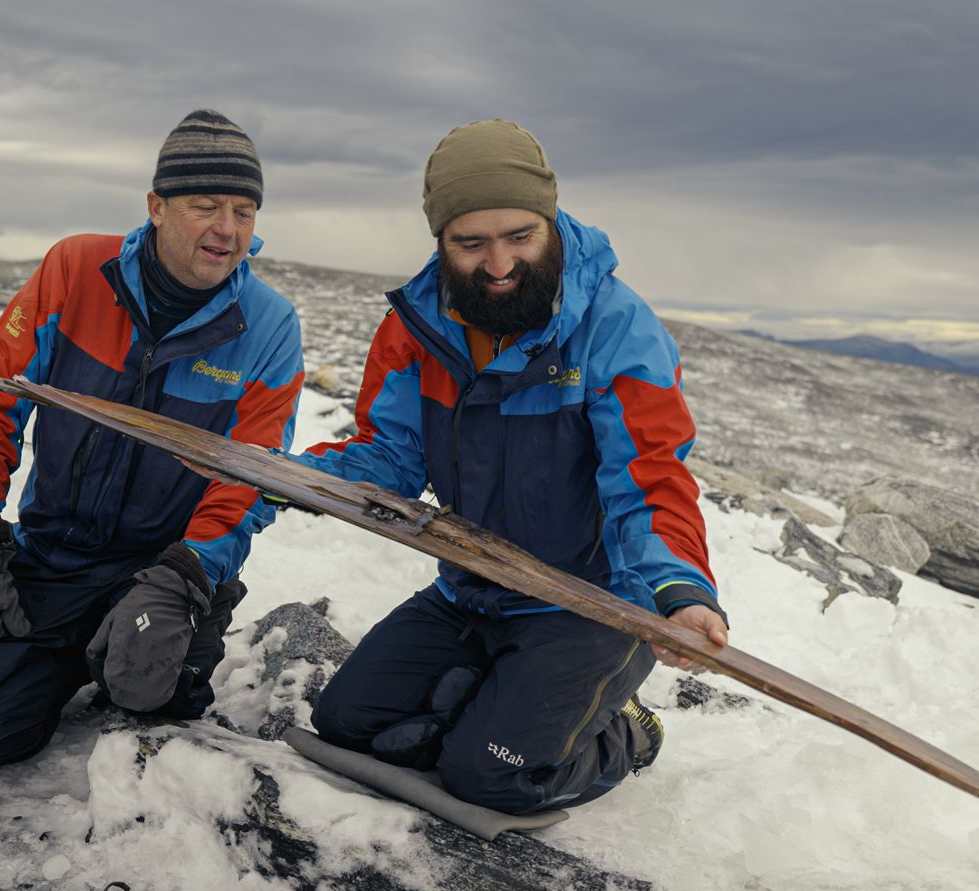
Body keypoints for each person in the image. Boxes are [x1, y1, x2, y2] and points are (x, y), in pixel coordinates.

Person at [294, 119, 726, 813]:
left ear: (550, 224)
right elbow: (393, 456)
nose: (498, 265)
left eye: (520, 237)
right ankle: (499, 700)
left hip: (593, 607)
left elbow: (649, 475)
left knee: (490, 778)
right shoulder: (418, 328)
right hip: (473, 591)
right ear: (440, 242)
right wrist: (294, 477)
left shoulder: (616, 328)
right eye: (471, 243)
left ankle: (626, 734)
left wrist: (679, 588)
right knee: (348, 725)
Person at [0, 110, 304, 765]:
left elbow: (254, 476)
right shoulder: (75, 270)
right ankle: (73, 647)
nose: (227, 230)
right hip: (54, 555)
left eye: (244, 211)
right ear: (156, 206)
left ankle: (184, 623)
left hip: (163, 565)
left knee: (153, 702)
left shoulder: (266, 326)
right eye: (206, 206)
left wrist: (189, 574)